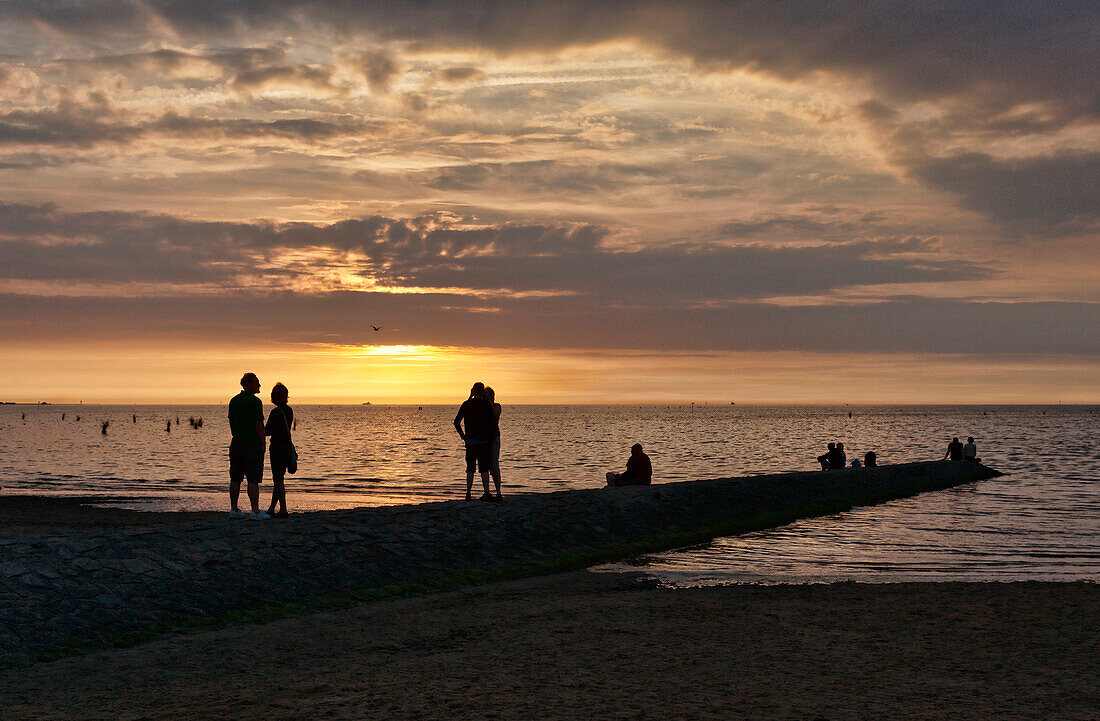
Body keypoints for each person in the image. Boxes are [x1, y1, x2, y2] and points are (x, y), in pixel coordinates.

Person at [228, 372, 268, 520]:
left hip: (236, 442)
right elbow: (259, 425)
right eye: (257, 382)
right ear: (249, 384)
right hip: (251, 444)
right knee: (253, 478)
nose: (259, 385)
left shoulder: (234, 401)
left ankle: (234, 509)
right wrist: (263, 443)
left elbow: (231, 423)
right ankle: (255, 510)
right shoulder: (255, 402)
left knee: (235, 477)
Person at [453, 382, 495, 501]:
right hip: (483, 442)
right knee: (484, 469)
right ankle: (486, 492)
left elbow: (456, 422)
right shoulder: (486, 405)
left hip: (471, 441)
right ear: (482, 392)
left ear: (472, 391)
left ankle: (468, 493)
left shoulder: (467, 404)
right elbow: (492, 423)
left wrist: (463, 436)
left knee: (470, 469)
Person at [265, 382, 295, 518]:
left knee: (277, 480)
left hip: (277, 448)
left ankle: (282, 509)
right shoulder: (289, 411)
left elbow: (268, 431)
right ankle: (275, 508)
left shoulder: (275, 412)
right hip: (287, 447)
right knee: (279, 479)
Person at [485, 386, 503, 501]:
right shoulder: (482, 407)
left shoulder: (497, 406)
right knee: (484, 466)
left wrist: (489, 402)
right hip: (484, 438)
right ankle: (486, 491)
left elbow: (495, 414)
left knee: (494, 466)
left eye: (487, 394)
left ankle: (498, 491)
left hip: (494, 438)